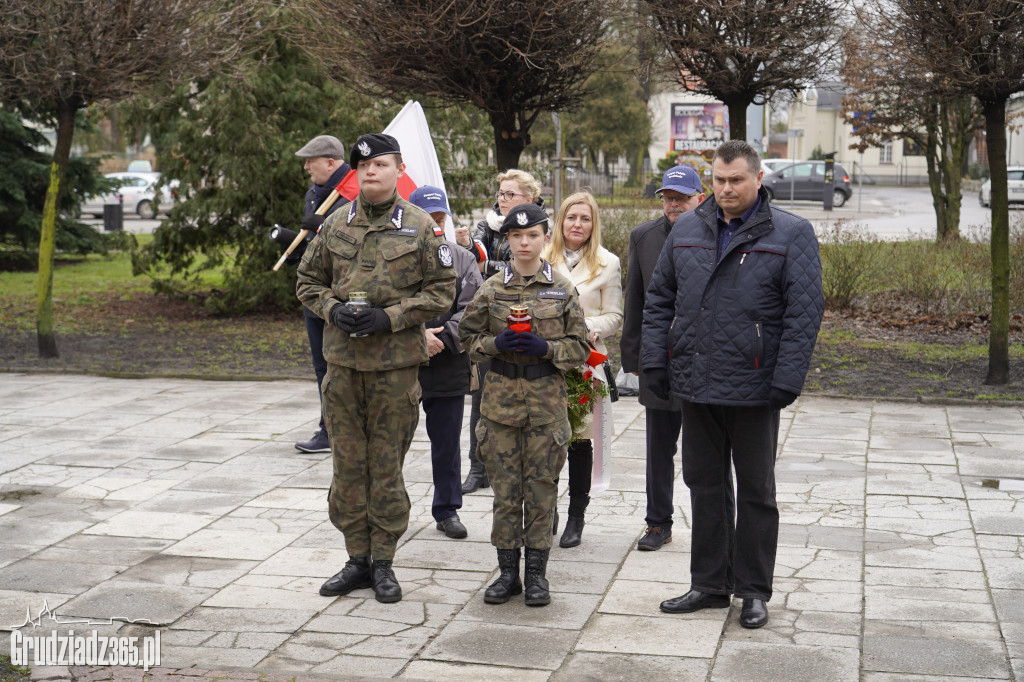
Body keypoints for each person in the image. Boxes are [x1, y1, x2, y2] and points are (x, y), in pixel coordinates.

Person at [641, 140, 823, 629]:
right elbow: (659, 299)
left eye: (736, 180)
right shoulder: (687, 229)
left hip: (755, 385)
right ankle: (709, 583)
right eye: (719, 180)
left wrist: (787, 378)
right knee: (704, 484)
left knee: (757, 492)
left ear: (757, 179)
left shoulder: (792, 233)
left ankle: (754, 591)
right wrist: (655, 359)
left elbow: (805, 312)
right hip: (696, 380)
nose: (726, 189)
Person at [296, 133, 456, 604]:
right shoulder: (335, 223)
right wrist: (332, 309)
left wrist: (391, 317)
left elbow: (442, 291)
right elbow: (307, 280)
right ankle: (356, 559)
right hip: (343, 367)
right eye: (363, 165)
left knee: (386, 467)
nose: (371, 171)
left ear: (398, 169)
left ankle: (383, 561)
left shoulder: (421, 226)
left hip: (394, 370)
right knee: (347, 467)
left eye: (381, 164)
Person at [458, 202, 589, 607]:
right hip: (499, 407)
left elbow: (580, 348)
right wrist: (494, 343)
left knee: (541, 491)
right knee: (505, 493)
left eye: (532, 235)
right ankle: (507, 574)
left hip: (545, 406)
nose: (525, 242)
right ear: (508, 240)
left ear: (545, 238)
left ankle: (536, 575)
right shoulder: (491, 288)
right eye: (516, 236)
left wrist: (546, 348)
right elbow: (467, 338)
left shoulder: (562, 288)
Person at [619, 166, 705, 551]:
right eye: (668, 198)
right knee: (658, 449)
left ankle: (711, 523)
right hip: (659, 359)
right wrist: (633, 357)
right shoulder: (644, 237)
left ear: (699, 198)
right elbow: (635, 300)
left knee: (705, 451)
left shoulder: (716, 233)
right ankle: (657, 523)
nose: (674, 205)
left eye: (682, 198)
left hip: (703, 362)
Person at [454, 169, 546, 494]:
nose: (502, 199)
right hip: (490, 323)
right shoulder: (488, 225)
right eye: (500, 193)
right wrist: (472, 250)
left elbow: (517, 268)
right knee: (480, 399)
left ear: (529, 198)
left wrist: (486, 266)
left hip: (529, 325)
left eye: (510, 194)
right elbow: (472, 259)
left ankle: (519, 471)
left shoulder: (539, 227)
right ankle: (477, 468)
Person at [542, 191, 622, 549]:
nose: (577, 224)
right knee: (546, 438)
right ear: (561, 221)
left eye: (585, 218)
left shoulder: (608, 262)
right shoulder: (542, 257)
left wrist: (589, 326)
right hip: (546, 360)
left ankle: (577, 514)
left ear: (594, 224)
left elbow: (614, 316)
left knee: (579, 439)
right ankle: (547, 510)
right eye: (571, 217)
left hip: (585, 362)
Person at [409, 185, 483, 540]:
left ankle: (447, 509)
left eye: (440, 217)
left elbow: (474, 308)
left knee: (447, 443)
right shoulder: (396, 257)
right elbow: (386, 302)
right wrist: (416, 337)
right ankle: (386, 511)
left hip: (448, 361)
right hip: (402, 362)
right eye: (428, 217)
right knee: (388, 442)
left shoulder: (462, 258)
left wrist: (441, 339)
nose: (435, 223)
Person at [291, 134, 352, 454]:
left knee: (341, 364)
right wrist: (294, 247)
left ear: (331, 162)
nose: (306, 167)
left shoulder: (354, 192)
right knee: (321, 365)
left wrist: (323, 228)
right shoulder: (314, 193)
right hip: (314, 295)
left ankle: (345, 429)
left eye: (310, 161)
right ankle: (328, 429)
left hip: (340, 295)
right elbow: (311, 243)